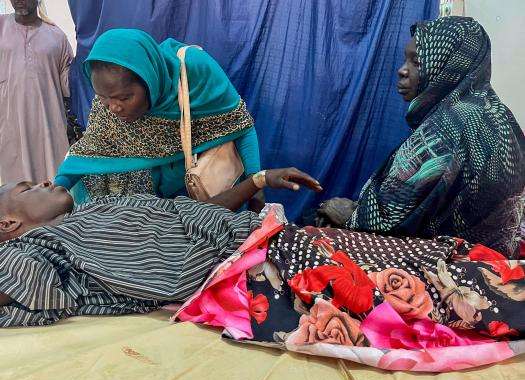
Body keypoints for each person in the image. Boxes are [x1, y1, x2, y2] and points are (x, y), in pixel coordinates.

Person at [0, 168, 322, 326]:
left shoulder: (97, 208)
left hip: (270, 238)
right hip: (256, 274)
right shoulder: (36, 251)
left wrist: (259, 181)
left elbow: (192, 212)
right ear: (7, 224)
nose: (43, 181)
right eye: (27, 189)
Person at [317, 17, 525, 257]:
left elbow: (383, 219)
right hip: (497, 259)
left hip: (451, 263)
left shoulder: (448, 124)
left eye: (416, 62)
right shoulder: (498, 113)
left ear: (448, 65)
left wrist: (347, 213)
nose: (402, 70)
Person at [54, 29, 262, 206]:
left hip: (200, 194)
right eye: (102, 98)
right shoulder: (107, 99)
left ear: (149, 81)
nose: (113, 108)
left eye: (125, 97)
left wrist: (257, 187)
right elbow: (92, 148)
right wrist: (58, 187)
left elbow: (240, 125)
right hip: (149, 205)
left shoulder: (195, 72)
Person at [0, 0, 73, 184]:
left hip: (48, 124)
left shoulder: (56, 36)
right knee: (15, 189)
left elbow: (69, 86)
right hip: (10, 125)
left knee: (52, 184)